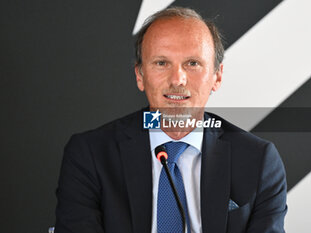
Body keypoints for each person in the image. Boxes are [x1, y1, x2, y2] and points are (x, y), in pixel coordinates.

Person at [55, 7, 287, 233]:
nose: (177, 79)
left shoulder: (259, 160)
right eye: (161, 63)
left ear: (217, 76)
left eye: (192, 63)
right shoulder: (90, 155)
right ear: (140, 76)